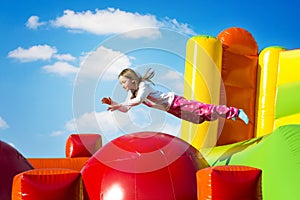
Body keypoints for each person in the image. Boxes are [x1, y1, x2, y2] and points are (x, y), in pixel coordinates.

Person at [101, 68, 249, 124]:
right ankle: (225, 116)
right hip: (170, 109)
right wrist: (113, 103)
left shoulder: (143, 87)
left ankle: (234, 112)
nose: (123, 86)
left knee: (204, 109)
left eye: (123, 82)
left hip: (175, 102)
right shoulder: (131, 93)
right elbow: (126, 109)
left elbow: (139, 101)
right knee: (199, 119)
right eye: (121, 84)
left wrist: (119, 104)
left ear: (132, 80)